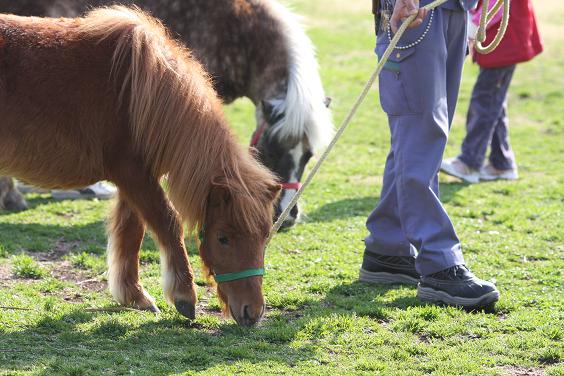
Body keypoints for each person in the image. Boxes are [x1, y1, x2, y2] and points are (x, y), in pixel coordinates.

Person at [359, 0, 499, 309]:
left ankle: (389, 248)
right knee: (421, 135)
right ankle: (439, 261)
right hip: (418, 10)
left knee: (420, 138)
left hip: (452, 9)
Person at [441, 0, 543, 183]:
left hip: (504, 39)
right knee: (494, 101)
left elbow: (496, 6)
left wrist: (472, 28)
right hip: (504, 38)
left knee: (485, 101)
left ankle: (469, 162)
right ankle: (501, 163)